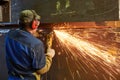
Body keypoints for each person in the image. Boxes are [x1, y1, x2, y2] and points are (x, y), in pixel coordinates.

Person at [5, 10, 55, 80]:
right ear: (34, 24)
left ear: (19, 22)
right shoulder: (36, 44)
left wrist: (30, 35)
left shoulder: (10, 35)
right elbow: (41, 69)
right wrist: (49, 55)